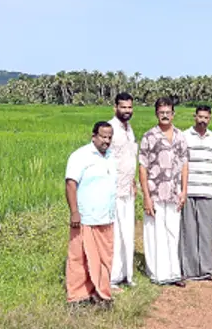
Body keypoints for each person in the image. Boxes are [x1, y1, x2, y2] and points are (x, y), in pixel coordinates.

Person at [64, 121, 118, 307]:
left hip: (106, 217)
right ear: (93, 136)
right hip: (85, 217)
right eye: (103, 137)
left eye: (110, 137)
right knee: (79, 257)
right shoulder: (81, 156)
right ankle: (77, 296)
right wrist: (74, 212)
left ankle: (101, 294)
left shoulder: (111, 156)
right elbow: (71, 184)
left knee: (104, 258)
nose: (106, 141)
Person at [139, 97, 189, 287]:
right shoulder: (149, 136)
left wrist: (184, 190)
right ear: (156, 114)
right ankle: (157, 273)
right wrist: (146, 196)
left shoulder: (180, 136)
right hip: (155, 192)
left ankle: (173, 272)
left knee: (173, 232)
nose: (165, 116)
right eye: (162, 113)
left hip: (174, 192)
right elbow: (142, 167)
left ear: (173, 114)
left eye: (168, 112)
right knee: (154, 232)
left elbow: (184, 164)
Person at [179, 105, 212, 281]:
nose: (203, 120)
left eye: (206, 117)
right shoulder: (184, 136)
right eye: (200, 117)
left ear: (210, 118)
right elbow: (181, 164)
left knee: (206, 231)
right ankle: (189, 270)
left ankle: (205, 269)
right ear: (194, 117)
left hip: (207, 190)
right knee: (188, 230)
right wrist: (182, 190)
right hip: (189, 190)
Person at [109, 92, 138, 289]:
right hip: (113, 190)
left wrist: (133, 181)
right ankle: (112, 277)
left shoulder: (129, 129)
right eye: (123, 107)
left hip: (128, 189)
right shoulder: (110, 129)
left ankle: (126, 275)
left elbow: (129, 157)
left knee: (127, 232)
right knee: (115, 234)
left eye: (129, 107)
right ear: (115, 108)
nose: (127, 111)